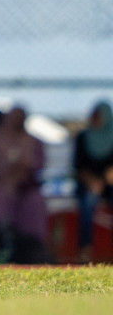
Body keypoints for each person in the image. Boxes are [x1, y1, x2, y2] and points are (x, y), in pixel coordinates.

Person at [0, 106, 48, 261]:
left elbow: (39, 165)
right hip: (1, 186)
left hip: (26, 189)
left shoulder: (33, 141)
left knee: (36, 202)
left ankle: (32, 250)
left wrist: (24, 172)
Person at [73, 101, 113, 262]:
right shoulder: (83, 137)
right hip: (88, 184)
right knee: (88, 201)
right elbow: (78, 166)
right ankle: (85, 248)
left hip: (109, 184)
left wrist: (105, 179)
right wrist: (92, 181)